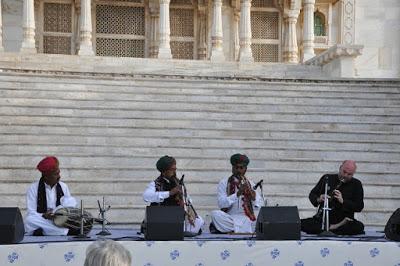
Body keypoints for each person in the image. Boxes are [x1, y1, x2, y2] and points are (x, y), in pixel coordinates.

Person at [142, 155, 204, 235]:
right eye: (172, 170)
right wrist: (169, 193)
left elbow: (188, 200)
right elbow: (146, 196)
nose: (175, 172)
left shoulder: (177, 183)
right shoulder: (155, 184)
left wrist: (189, 212)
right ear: (164, 171)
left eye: (175, 169)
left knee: (199, 221)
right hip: (162, 217)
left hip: (177, 217)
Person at [301, 160, 365, 235]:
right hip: (322, 219)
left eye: (349, 174)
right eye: (344, 172)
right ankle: (330, 229)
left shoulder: (356, 184)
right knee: (299, 223)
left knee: (358, 227)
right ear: (340, 168)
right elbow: (312, 194)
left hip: (343, 221)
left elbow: (359, 206)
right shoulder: (327, 178)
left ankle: (329, 229)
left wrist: (343, 201)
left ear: (353, 174)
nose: (345, 175)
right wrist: (319, 199)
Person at [210, 154, 263, 233]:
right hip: (230, 217)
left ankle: (229, 229)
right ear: (232, 168)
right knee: (215, 214)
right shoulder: (224, 183)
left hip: (247, 219)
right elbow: (222, 204)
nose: (238, 170)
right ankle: (242, 229)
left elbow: (259, 206)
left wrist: (253, 197)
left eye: (241, 168)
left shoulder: (251, 184)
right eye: (236, 167)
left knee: (260, 221)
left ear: (245, 169)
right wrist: (237, 194)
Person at [24, 156, 77, 236]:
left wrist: (58, 214)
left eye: (59, 172)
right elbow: (31, 212)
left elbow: (69, 208)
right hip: (42, 219)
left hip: (59, 219)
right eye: (55, 174)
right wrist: (44, 215)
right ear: (46, 176)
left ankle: (43, 231)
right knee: (29, 220)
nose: (59, 176)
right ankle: (60, 231)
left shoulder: (63, 186)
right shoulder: (33, 188)